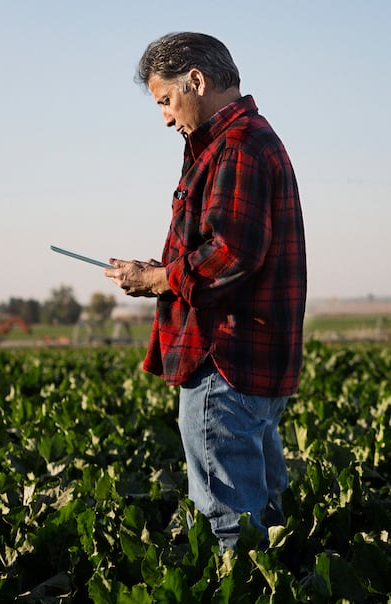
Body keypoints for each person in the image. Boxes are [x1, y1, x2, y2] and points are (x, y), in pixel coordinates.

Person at [106, 32, 307, 550]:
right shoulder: (247, 139)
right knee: (266, 516)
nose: (165, 118)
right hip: (253, 362)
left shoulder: (236, 146)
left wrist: (156, 279)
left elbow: (230, 254)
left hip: (225, 359)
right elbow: (228, 249)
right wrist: (163, 270)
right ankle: (277, 593)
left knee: (231, 526)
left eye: (165, 101)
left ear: (195, 81)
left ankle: (242, 602)